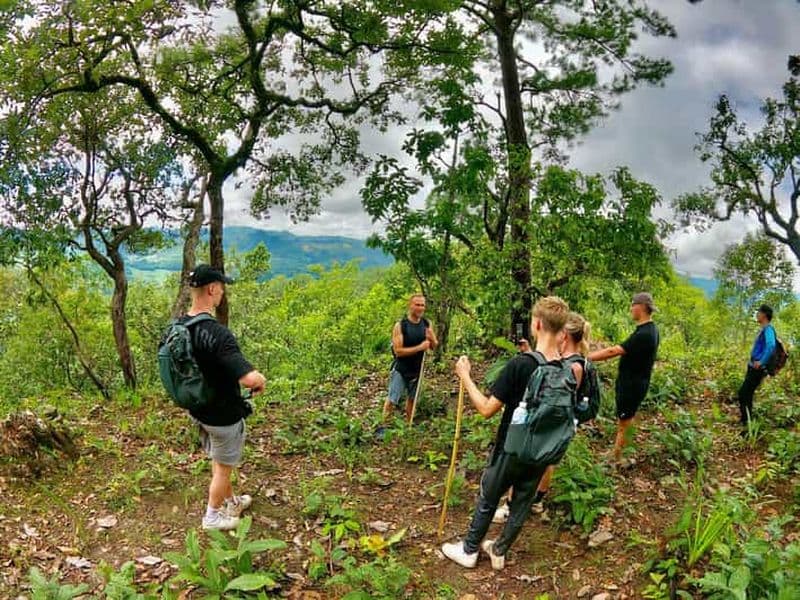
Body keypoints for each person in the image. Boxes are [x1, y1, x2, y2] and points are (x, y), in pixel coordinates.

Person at [442, 296, 569, 571]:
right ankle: (499, 550)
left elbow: (487, 409)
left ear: (536, 324)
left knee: (489, 495)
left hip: (511, 446)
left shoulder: (520, 364)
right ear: (561, 330)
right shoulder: (564, 369)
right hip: (542, 450)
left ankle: (469, 550)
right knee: (521, 502)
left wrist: (465, 376)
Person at [182, 264, 266, 530]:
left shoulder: (180, 326)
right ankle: (212, 516)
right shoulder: (217, 333)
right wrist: (260, 379)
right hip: (223, 414)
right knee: (222, 468)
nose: (222, 294)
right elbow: (248, 379)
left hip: (197, 409)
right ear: (212, 289)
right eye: (221, 288)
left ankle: (232, 502)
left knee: (220, 461)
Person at [493, 312, 591, 523]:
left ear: (564, 335)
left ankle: (519, 504)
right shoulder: (573, 361)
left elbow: (559, 392)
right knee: (544, 460)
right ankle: (532, 501)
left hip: (552, 420)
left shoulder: (573, 365)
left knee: (540, 460)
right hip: (557, 420)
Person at [588, 292, 659, 464]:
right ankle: (618, 452)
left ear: (640, 307)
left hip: (632, 384)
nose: (630, 309)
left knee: (624, 422)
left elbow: (614, 351)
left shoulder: (645, 334)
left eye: (632, 305)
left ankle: (617, 458)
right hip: (636, 382)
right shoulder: (649, 329)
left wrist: (587, 357)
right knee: (626, 419)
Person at [381, 294, 438, 425]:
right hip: (401, 369)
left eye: (422, 305)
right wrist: (420, 347)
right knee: (392, 399)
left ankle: (408, 426)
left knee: (412, 399)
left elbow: (434, 346)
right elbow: (398, 351)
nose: (420, 308)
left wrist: (432, 339)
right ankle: (383, 426)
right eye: (417, 305)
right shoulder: (401, 325)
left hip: (417, 370)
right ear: (410, 306)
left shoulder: (426, 324)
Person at [737, 304, 776, 426]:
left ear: (764, 315)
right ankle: (746, 421)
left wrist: (761, 361)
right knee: (747, 394)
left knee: (743, 393)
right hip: (754, 366)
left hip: (757, 368)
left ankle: (746, 422)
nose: (757, 314)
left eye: (758, 312)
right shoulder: (764, 329)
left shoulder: (768, 329)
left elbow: (771, 345)